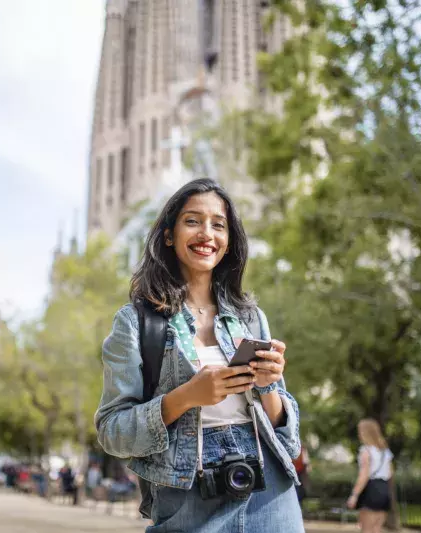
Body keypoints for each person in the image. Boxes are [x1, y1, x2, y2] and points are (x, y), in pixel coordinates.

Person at [95, 178, 304, 533]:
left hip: (269, 493)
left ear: (228, 242)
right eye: (192, 221)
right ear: (168, 235)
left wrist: (269, 387)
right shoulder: (136, 322)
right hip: (188, 494)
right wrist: (187, 397)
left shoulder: (250, 317)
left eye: (218, 225)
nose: (206, 233)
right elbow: (112, 431)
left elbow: (289, 439)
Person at [346, 419, 394, 533]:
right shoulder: (385, 452)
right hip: (384, 489)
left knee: (366, 530)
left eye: (360, 431)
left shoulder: (366, 451)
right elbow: (391, 473)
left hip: (371, 489)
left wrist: (354, 495)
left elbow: (364, 475)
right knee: (376, 529)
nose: (358, 434)